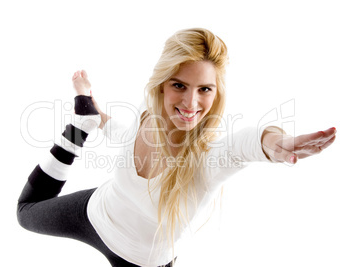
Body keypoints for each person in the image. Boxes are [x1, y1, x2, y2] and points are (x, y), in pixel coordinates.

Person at [17, 28, 336, 267]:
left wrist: (272, 142)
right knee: (25, 211)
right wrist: (99, 118)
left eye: (205, 89)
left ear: (216, 92)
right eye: (179, 85)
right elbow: (127, 138)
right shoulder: (149, 108)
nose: (190, 102)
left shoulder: (206, 162)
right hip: (95, 211)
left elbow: (241, 147)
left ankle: (84, 118)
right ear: (161, 84)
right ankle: (83, 121)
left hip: (139, 260)